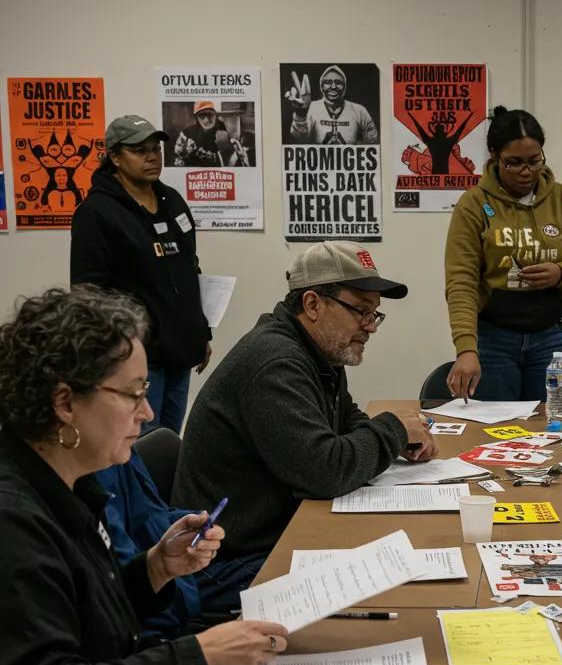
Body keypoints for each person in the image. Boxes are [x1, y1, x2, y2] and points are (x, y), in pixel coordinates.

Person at [0, 286, 288, 665]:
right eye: (133, 393)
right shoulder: (15, 519)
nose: (150, 410)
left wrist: (155, 569)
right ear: (63, 403)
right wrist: (197, 657)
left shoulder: (70, 481)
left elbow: (81, 623)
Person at [172, 242, 436, 612]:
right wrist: (393, 430)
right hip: (223, 566)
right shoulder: (276, 363)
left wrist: (392, 439)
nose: (370, 327)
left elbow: (347, 418)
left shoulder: (318, 350)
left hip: (271, 537)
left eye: (375, 314)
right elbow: (325, 470)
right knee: (386, 583)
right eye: (361, 310)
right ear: (313, 305)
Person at [444, 106, 562, 402]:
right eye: (514, 163)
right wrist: (466, 348)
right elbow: (461, 283)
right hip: (494, 340)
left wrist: (561, 273)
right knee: (493, 436)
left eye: (534, 161)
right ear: (494, 156)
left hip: (552, 338)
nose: (526, 171)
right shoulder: (473, 204)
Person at [71, 114, 212, 434]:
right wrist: (112, 354)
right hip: (137, 358)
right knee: (139, 446)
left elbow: (190, 269)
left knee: (167, 443)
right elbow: (86, 294)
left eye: (156, 149)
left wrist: (201, 330)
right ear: (115, 157)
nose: (152, 156)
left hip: (180, 353)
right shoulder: (97, 213)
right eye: (139, 150)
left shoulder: (172, 201)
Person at [95, 450, 201, 639]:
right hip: (155, 624)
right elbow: (119, 595)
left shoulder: (119, 452)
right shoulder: (93, 475)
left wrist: (194, 525)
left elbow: (154, 513)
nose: (149, 417)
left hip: (177, 599)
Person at [284, 66, 379, 145]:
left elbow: (373, 143)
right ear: (321, 86)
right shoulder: (311, 108)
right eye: (328, 82)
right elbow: (299, 139)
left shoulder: (359, 111)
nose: (333, 87)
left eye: (338, 83)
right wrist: (301, 115)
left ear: (345, 86)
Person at [173, 101, 250, 167]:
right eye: (202, 116)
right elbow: (178, 158)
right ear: (196, 117)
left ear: (215, 116)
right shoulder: (187, 134)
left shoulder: (224, 131)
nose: (207, 120)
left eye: (210, 115)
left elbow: (236, 159)